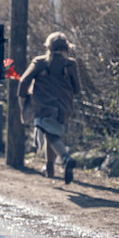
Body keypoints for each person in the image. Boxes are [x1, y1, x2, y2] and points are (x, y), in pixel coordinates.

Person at [18, 32, 81, 184]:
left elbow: (24, 81)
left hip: (42, 106)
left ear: (48, 47)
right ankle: (50, 169)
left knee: (52, 136)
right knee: (49, 133)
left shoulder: (40, 62)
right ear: (66, 48)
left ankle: (66, 159)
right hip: (63, 108)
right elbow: (77, 89)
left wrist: (24, 100)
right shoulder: (71, 64)